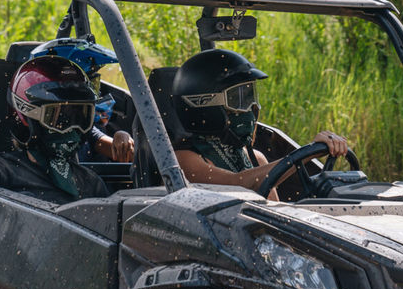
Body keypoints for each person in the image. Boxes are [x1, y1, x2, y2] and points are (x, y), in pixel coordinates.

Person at [171, 49, 347, 196]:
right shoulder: (183, 160)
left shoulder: (256, 158)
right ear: (203, 104)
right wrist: (305, 153)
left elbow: (275, 212)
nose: (252, 107)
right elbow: (236, 184)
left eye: (251, 96)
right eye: (238, 99)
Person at [0, 55, 109, 203]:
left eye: (78, 117)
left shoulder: (90, 183)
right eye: (59, 118)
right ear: (26, 115)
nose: (71, 128)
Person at [29, 38, 134, 163]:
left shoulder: (81, 124)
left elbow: (104, 143)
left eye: (91, 85)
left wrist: (121, 138)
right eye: (82, 88)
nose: (89, 95)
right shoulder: (32, 128)